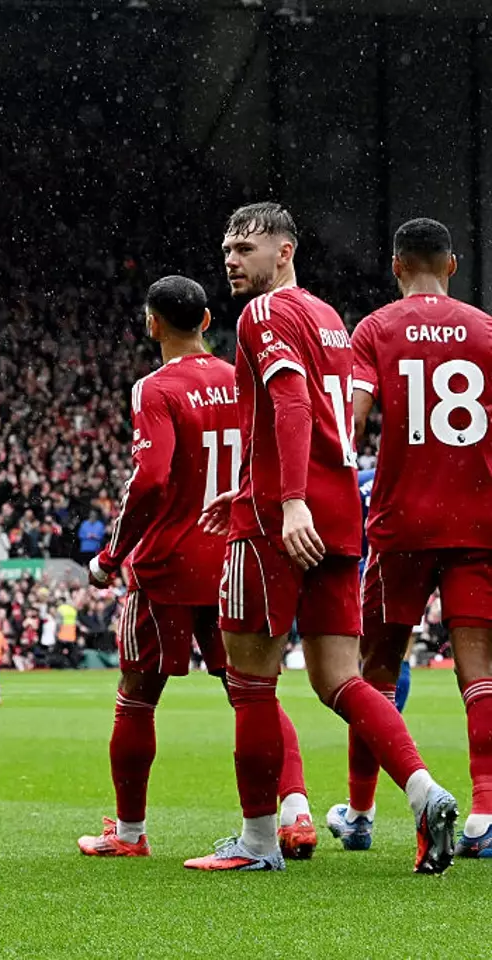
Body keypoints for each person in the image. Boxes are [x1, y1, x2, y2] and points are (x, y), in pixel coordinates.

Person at [188, 203, 458, 874]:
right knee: (341, 678)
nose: (231, 258)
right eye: (226, 246)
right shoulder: (329, 318)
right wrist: (268, 485)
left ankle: (255, 844)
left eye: (245, 247)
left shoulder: (264, 315)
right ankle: (424, 790)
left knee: (249, 681)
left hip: (286, 519)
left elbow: (291, 401)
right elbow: (328, 415)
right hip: (336, 512)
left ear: (284, 253)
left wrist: (286, 500)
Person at [78, 275, 315, 860]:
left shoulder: (154, 389)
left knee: (136, 696)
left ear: (152, 323)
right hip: (239, 554)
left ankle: (129, 834)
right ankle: (296, 810)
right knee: (253, 692)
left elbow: (152, 477)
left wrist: (112, 556)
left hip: (169, 564)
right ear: (208, 320)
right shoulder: (246, 377)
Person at [323, 218, 492, 859]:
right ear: (452, 265)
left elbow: (352, 422)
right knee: (480, 671)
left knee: (376, 669)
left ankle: (361, 815)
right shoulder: (484, 329)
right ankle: (485, 814)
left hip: (402, 522)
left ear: (396, 266)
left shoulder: (375, 329)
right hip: (477, 520)